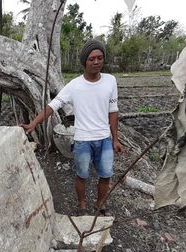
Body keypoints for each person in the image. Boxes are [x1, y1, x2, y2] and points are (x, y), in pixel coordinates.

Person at [20, 40, 123, 216]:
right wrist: (33, 124)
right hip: (82, 139)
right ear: (84, 62)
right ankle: (82, 205)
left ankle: (100, 203)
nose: (96, 62)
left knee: (106, 174)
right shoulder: (74, 85)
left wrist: (115, 139)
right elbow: (52, 107)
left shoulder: (110, 81)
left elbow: (113, 112)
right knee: (81, 175)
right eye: (92, 59)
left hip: (104, 138)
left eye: (100, 58)